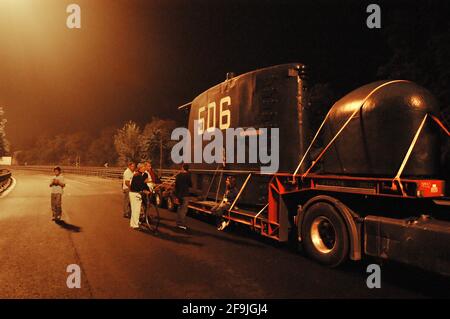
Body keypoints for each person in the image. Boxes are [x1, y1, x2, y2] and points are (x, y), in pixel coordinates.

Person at [129, 163, 150, 229]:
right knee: (136, 210)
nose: (145, 168)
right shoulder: (138, 176)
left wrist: (145, 189)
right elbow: (140, 186)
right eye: (143, 167)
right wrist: (145, 191)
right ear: (140, 168)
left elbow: (141, 185)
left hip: (133, 193)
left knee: (134, 209)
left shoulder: (137, 174)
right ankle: (135, 225)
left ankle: (133, 223)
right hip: (135, 194)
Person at [174, 163, 192, 230]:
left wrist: (176, 195)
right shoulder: (188, 175)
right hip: (185, 194)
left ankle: (178, 222)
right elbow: (190, 184)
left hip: (179, 194)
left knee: (179, 209)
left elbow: (176, 186)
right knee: (183, 210)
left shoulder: (178, 175)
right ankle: (181, 224)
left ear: (183, 168)